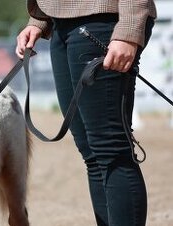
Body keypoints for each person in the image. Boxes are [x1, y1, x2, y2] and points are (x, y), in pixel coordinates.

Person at [16, 1, 156, 226]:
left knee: (111, 148)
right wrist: (39, 20)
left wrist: (130, 28)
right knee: (91, 152)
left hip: (103, 20)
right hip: (61, 25)